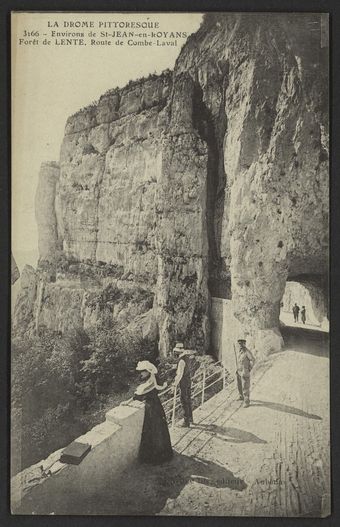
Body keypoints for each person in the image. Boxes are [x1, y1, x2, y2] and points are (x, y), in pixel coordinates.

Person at [132, 360, 173, 465]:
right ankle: (162, 453)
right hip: (156, 406)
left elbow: (138, 395)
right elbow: (162, 385)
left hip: (152, 408)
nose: (141, 373)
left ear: (148, 371)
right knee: (158, 429)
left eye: (142, 371)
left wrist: (127, 402)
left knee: (154, 430)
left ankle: (157, 457)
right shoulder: (153, 379)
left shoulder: (150, 382)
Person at [173, 343, 194, 427]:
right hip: (188, 380)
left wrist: (174, 384)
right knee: (188, 399)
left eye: (175, 352)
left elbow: (179, 374)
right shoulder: (187, 358)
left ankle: (186, 421)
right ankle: (190, 418)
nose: (175, 353)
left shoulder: (181, 361)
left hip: (183, 382)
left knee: (183, 400)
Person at [235, 339, 255, 408]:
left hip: (244, 372)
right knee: (239, 385)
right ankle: (241, 396)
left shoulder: (247, 352)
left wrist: (249, 369)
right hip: (239, 371)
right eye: (239, 344)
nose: (240, 346)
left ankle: (246, 402)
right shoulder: (239, 352)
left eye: (242, 344)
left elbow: (252, 360)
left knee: (245, 387)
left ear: (244, 344)